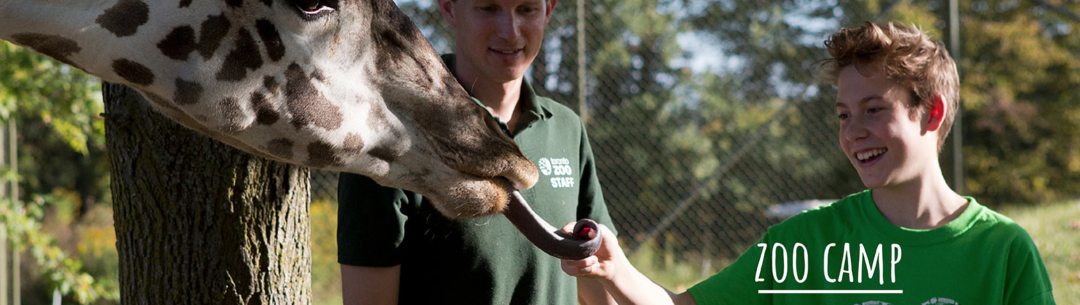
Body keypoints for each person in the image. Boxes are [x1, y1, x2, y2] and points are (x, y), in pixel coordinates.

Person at [559, 21, 1056, 304]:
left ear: (932, 113)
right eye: (843, 114)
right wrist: (615, 269)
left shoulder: (1003, 251)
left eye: (874, 110)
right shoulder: (804, 243)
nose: (853, 130)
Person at [336, 0, 618, 304]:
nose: (510, 32)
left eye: (526, 9)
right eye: (488, 7)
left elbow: (597, 285)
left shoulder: (567, 128)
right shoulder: (393, 131)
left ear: (548, 10)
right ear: (449, 8)